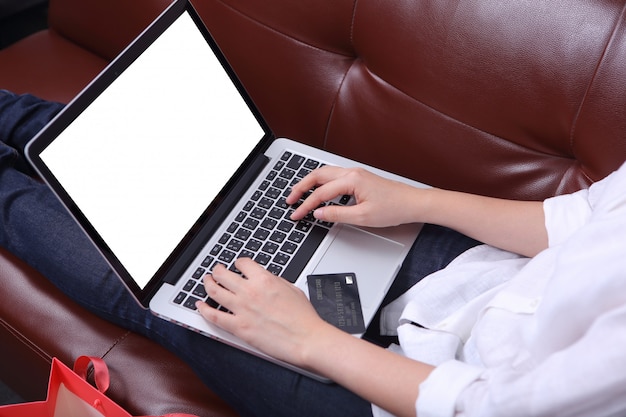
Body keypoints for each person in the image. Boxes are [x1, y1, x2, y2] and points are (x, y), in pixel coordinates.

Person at [1, 90, 625, 417]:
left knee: (162, 295)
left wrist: (308, 338)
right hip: (474, 284)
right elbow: (575, 219)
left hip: (409, 400)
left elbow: (486, 408)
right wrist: (417, 200)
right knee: (220, 172)